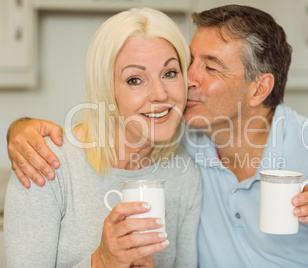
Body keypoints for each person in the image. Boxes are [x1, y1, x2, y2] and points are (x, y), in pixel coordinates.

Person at [7, 4, 308, 268]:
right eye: (189, 62)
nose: (187, 81)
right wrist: (20, 129)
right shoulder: (183, 143)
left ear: (259, 88)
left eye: (210, 68)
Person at [4, 7, 202, 268]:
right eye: (134, 80)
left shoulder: (185, 174)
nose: (161, 94)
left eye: (169, 73)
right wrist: (100, 262)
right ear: (106, 90)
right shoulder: (45, 163)